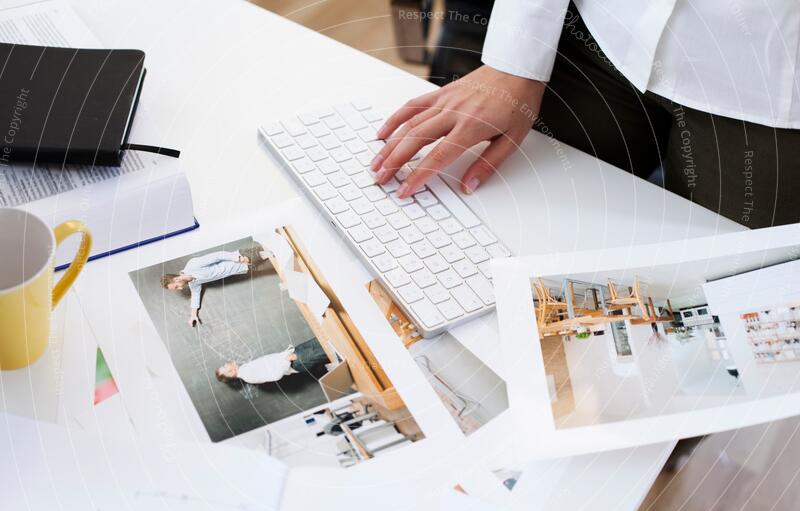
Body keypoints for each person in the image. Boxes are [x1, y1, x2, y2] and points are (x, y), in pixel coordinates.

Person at [373, 1, 799, 229]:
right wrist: (515, 59)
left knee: (731, 297)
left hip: (774, 84)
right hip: (606, 28)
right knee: (486, 212)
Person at [161, 243, 268, 326]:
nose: (179, 289)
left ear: (176, 278)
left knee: (272, 251)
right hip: (245, 267)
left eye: (176, 286)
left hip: (244, 257)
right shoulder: (193, 283)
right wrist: (193, 315)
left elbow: (218, 256)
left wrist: (239, 258)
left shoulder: (192, 265)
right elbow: (195, 296)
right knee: (273, 257)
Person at [215, 338, 330, 384]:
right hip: (296, 361)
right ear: (231, 373)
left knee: (326, 338)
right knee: (332, 349)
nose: (226, 364)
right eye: (225, 367)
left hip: (292, 353)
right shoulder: (248, 375)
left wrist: (287, 356)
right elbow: (275, 376)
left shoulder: (245, 368)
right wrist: (287, 361)